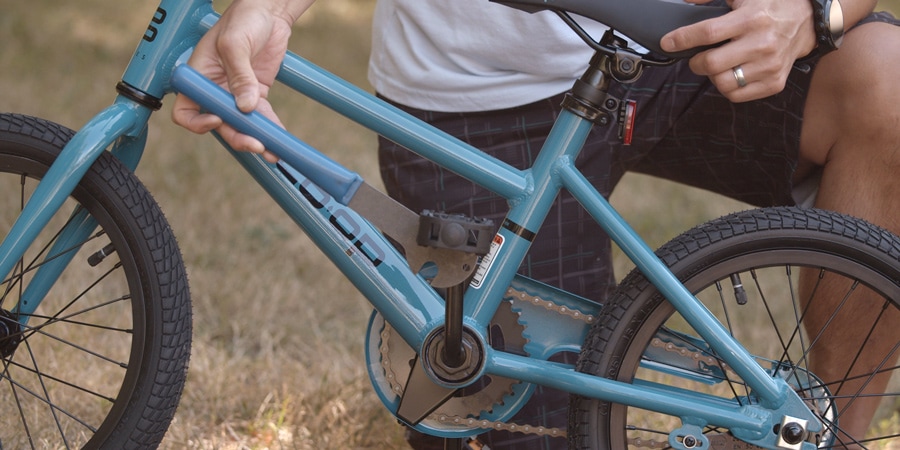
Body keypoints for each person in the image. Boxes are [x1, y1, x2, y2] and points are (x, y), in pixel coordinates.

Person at [173, 0, 900, 448]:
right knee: (529, 419)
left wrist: (815, 7)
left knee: (887, 80)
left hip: (687, 38)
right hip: (482, 99)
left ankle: (827, 438)